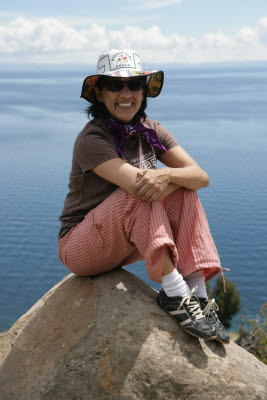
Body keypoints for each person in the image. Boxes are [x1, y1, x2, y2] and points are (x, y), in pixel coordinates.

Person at [58, 49, 230, 344]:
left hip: (122, 239)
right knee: (139, 192)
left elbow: (201, 177)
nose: (126, 93)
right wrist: (168, 176)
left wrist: (169, 175)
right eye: (115, 85)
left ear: (143, 91)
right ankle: (175, 294)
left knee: (184, 190)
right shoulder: (92, 139)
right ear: (99, 92)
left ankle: (198, 294)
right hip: (80, 246)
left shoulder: (151, 130)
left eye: (134, 84)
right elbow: (137, 187)